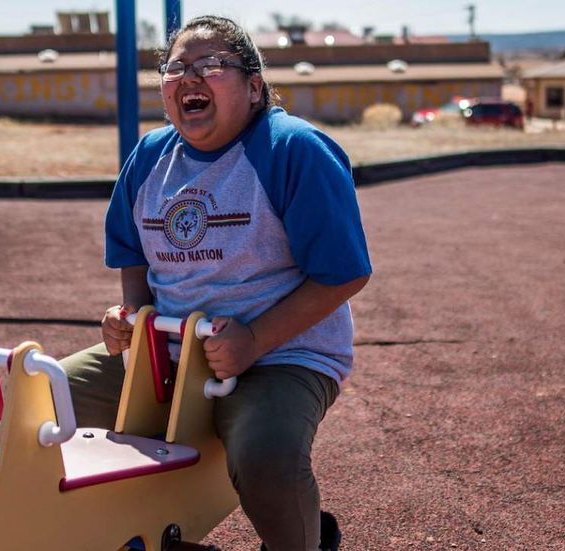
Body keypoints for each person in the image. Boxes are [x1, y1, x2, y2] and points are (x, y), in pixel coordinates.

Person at [60, 15, 372, 551]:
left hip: (282, 356)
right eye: (176, 67)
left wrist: (253, 340)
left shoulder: (293, 149)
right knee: (42, 399)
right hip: (170, 351)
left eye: (211, 65)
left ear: (254, 87)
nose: (189, 77)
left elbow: (343, 272)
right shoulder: (150, 156)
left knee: (265, 455)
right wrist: (134, 320)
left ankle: (304, 540)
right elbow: (132, 252)